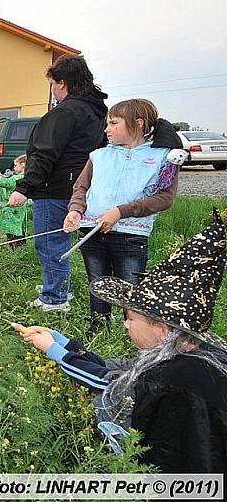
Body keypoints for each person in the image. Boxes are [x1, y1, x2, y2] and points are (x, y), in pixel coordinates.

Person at [17, 211, 227, 472]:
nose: (125, 325)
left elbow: (110, 386)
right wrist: (67, 344)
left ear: (162, 328)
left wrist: (55, 352)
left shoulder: (168, 378)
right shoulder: (192, 350)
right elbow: (125, 368)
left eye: (131, 319)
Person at [63, 100, 185, 336]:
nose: (106, 129)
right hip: (92, 230)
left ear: (137, 124)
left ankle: (135, 331)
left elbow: (165, 198)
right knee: (97, 281)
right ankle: (98, 327)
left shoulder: (163, 158)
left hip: (131, 235)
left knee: (129, 287)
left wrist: (121, 211)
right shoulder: (98, 156)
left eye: (113, 123)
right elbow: (81, 187)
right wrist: (75, 210)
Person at [7, 54, 108, 312]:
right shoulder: (95, 111)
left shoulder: (65, 111)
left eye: (53, 84)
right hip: (78, 188)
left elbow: (44, 153)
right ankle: (61, 286)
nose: (52, 90)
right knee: (60, 241)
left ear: (62, 83)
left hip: (54, 188)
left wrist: (24, 187)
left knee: (51, 242)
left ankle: (55, 298)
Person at [0, 155, 29, 248]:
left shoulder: (17, 178)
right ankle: (21, 245)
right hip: (22, 208)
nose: (14, 168)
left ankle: (15, 247)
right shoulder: (26, 177)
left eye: (15, 165)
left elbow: (4, 183)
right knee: (20, 227)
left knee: (12, 228)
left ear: (23, 165)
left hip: (13, 208)